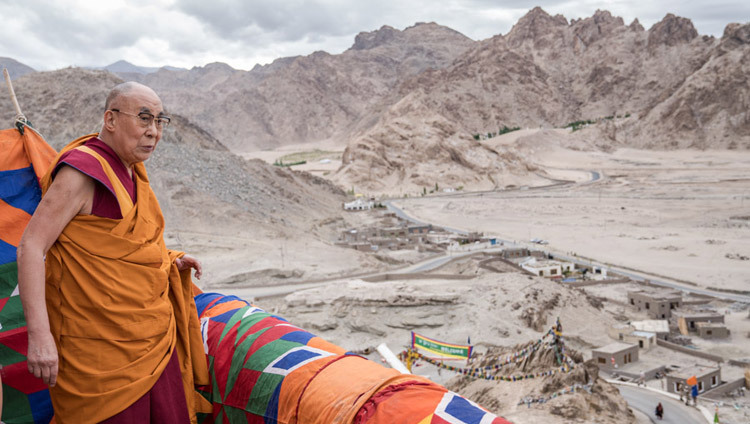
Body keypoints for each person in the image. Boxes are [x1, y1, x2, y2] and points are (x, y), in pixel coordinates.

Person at [17, 82, 209, 423]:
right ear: (111, 119)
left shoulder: (133, 171)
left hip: (150, 338)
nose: (154, 132)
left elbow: (128, 247)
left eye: (160, 121)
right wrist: (40, 335)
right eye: (144, 119)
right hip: (97, 351)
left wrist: (167, 261)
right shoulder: (82, 172)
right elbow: (32, 246)